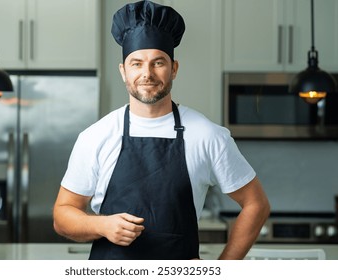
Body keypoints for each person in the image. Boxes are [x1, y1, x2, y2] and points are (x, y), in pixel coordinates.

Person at [53, 0, 270, 260]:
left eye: (158, 63)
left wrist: (221, 271)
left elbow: (256, 204)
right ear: (123, 71)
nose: (147, 73)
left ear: (174, 69)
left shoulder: (207, 135)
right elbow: (63, 214)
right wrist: (101, 225)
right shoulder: (96, 136)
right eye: (136, 63)